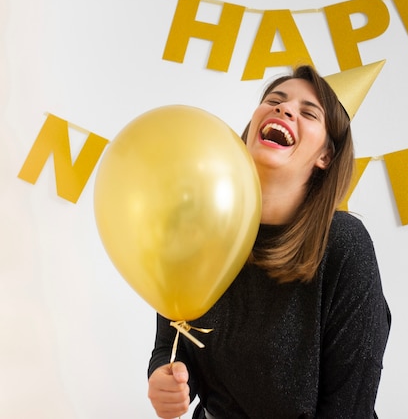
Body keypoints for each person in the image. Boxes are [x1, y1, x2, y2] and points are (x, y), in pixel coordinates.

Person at [147, 64, 391, 418]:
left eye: (308, 112)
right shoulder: (197, 229)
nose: (284, 109)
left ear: (325, 156)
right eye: (275, 100)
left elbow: (348, 407)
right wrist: (163, 379)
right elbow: (172, 344)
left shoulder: (344, 245)